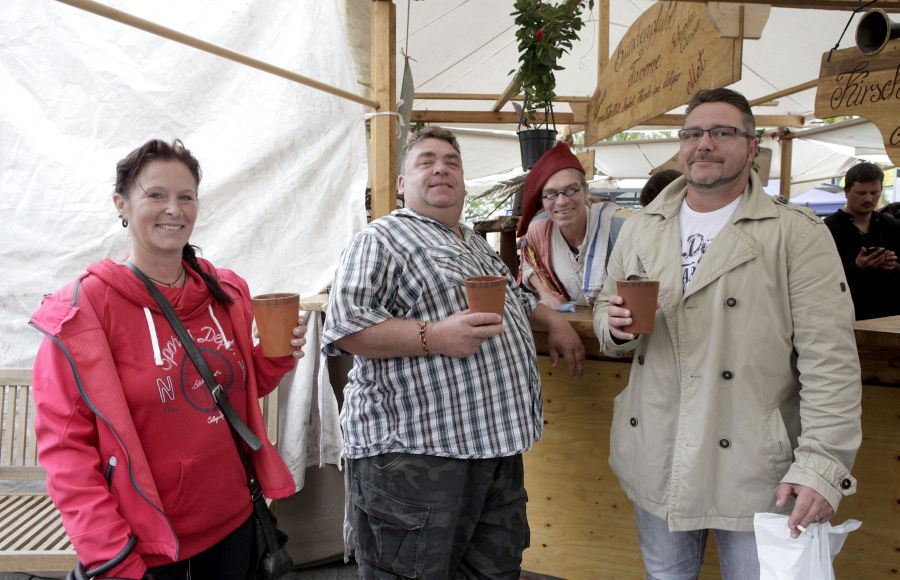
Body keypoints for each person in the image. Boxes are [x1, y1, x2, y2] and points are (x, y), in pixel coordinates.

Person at [593, 88, 862, 579]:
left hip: (756, 468)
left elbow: (831, 362)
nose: (705, 143)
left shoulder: (796, 233)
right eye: (693, 133)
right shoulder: (641, 227)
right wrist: (613, 327)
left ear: (752, 146)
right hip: (656, 452)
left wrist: (821, 465)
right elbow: (605, 311)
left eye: (722, 132)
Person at [30, 139, 308, 580]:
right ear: (121, 204)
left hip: (237, 524)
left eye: (186, 197)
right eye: (156, 195)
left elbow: (235, 388)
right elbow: (67, 454)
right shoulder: (82, 314)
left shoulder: (224, 291)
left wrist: (276, 357)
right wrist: (113, 560)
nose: (174, 209)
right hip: (150, 550)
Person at [322, 126, 584, 579]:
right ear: (402, 182)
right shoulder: (381, 238)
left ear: (463, 182)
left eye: (452, 162)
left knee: (493, 572)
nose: (441, 168)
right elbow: (345, 326)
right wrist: (435, 335)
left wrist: (555, 320)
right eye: (426, 161)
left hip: (493, 448)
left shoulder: (474, 241)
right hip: (415, 455)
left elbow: (515, 300)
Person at [517, 141, 631, 310]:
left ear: (585, 190)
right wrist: (545, 293)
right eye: (550, 194)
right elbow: (527, 262)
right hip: (573, 321)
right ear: (542, 200)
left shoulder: (618, 226)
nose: (562, 201)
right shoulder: (539, 229)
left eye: (571, 189)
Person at [824, 162, 900, 320]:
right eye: (861, 193)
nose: (868, 199)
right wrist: (857, 267)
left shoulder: (891, 226)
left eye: (874, 193)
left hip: (889, 316)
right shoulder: (827, 229)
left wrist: (893, 265)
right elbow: (820, 279)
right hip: (847, 318)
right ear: (846, 192)